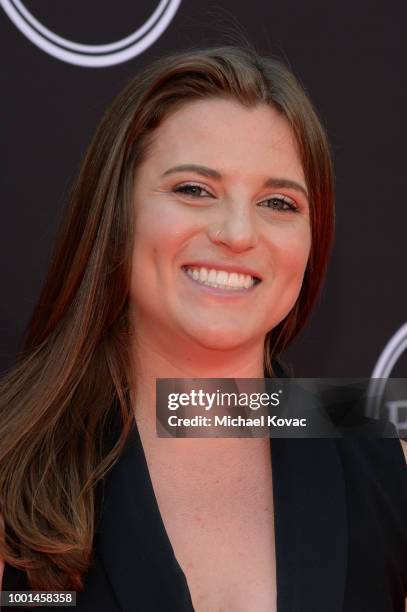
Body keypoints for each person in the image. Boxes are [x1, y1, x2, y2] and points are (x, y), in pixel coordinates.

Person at [0, 44, 406, 612]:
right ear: (116, 213)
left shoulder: (377, 442)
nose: (238, 232)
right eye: (194, 190)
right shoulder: (14, 459)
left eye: (279, 202)